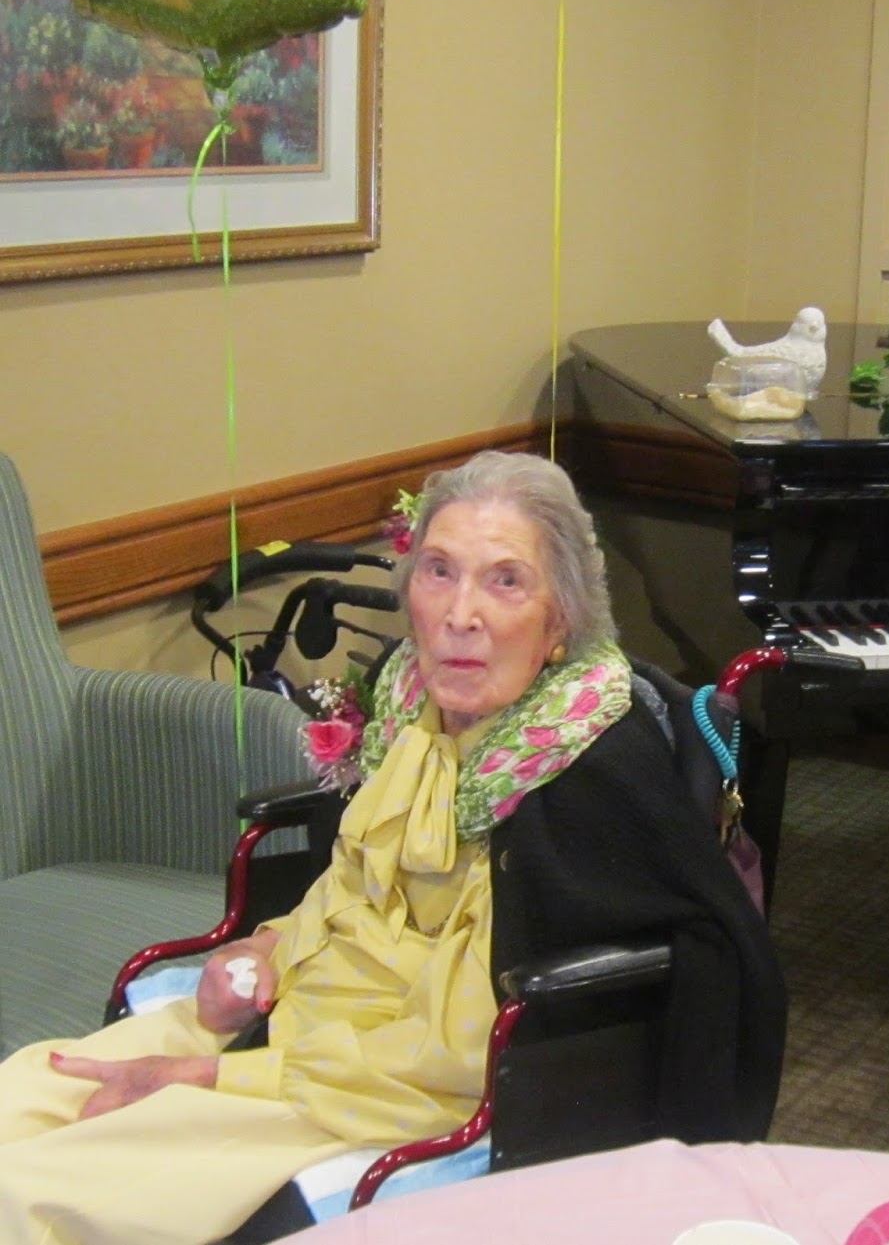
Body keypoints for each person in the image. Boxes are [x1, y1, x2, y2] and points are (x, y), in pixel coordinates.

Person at [0, 450, 785, 1244]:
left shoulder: (585, 774)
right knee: (21, 1099)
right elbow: (354, 884)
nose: (459, 614)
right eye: (439, 571)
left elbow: (457, 1056)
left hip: (379, 1091)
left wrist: (213, 1074)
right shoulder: (414, 699)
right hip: (307, 1017)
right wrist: (265, 946)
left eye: (506, 581)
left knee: (34, 1193)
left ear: (560, 625)